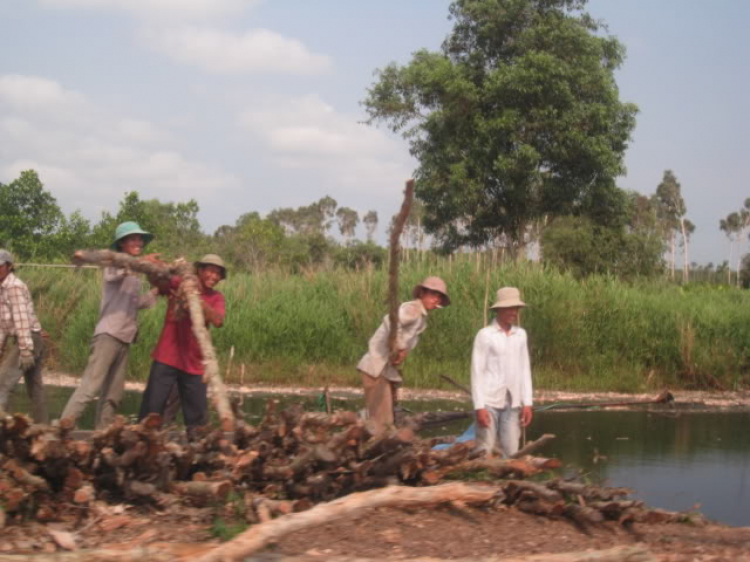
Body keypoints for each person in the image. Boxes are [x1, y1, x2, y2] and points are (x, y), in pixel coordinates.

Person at [60, 222, 158, 429]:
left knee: (113, 394)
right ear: (122, 243)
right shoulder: (113, 263)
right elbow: (115, 274)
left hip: (125, 336)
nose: (138, 242)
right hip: (109, 335)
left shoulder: (134, 274)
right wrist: (141, 262)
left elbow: (135, 304)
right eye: (133, 238)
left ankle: (102, 434)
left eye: (140, 239)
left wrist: (158, 290)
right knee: (90, 387)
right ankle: (63, 428)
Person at [139, 254, 226, 440]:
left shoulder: (216, 297)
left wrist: (197, 299)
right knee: (151, 410)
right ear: (200, 271)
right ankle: (142, 445)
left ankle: (198, 452)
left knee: (198, 421)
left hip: (194, 364)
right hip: (167, 357)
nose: (214, 276)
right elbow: (159, 282)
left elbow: (218, 320)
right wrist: (155, 265)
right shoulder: (181, 282)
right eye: (210, 271)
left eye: (218, 274)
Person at [357, 276, 450, 429]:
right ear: (422, 294)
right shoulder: (412, 309)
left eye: (439, 297)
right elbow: (391, 322)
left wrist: (403, 352)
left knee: (385, 419)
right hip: (375, 367)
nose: (436, 300)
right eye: (433, 295)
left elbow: (403, 339)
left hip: (384, 369)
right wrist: (400, 348)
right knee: (382, 422)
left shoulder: (420, 318)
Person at [471, 286, 533, 458]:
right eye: (510, 308)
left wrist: (527, 402)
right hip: (489, 400)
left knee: (512, 451)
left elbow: (524, 370)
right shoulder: (485, 335)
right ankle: (480, 482)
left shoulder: (520, 335)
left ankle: (509, 482)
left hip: (513, 401)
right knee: (485, 449)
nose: (514, 312)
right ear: (499, 309)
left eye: (516, 308)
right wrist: (479, 406)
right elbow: (477, 371)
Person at [0, 249, 48, 423]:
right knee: (35, 388)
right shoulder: (2, 288)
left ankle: (3, 430)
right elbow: (3, 326)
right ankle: (44, 429)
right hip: (28, 337)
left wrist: (26, 350)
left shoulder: (13, 286)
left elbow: (21, 321)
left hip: (28, 338)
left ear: (9, 267)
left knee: (3, 383)